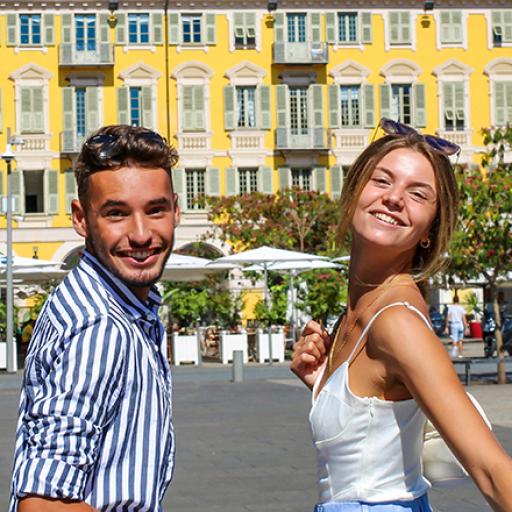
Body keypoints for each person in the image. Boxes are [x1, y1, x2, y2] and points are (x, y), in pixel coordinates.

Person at [290, 118, 512, 512]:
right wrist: (325, 385)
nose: (394, 198)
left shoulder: (396, 322)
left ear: (429, 229)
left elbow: (491, 470)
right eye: (382, 180)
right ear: (354, 191)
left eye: (417, 193)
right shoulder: (360, 310)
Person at [10, 125, 180, 511]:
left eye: (155, 210)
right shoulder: (100, 326)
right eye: (116, 213)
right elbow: (44, 504)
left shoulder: (116, 308)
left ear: (175, 209)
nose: (141, 234)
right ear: (81, 218)